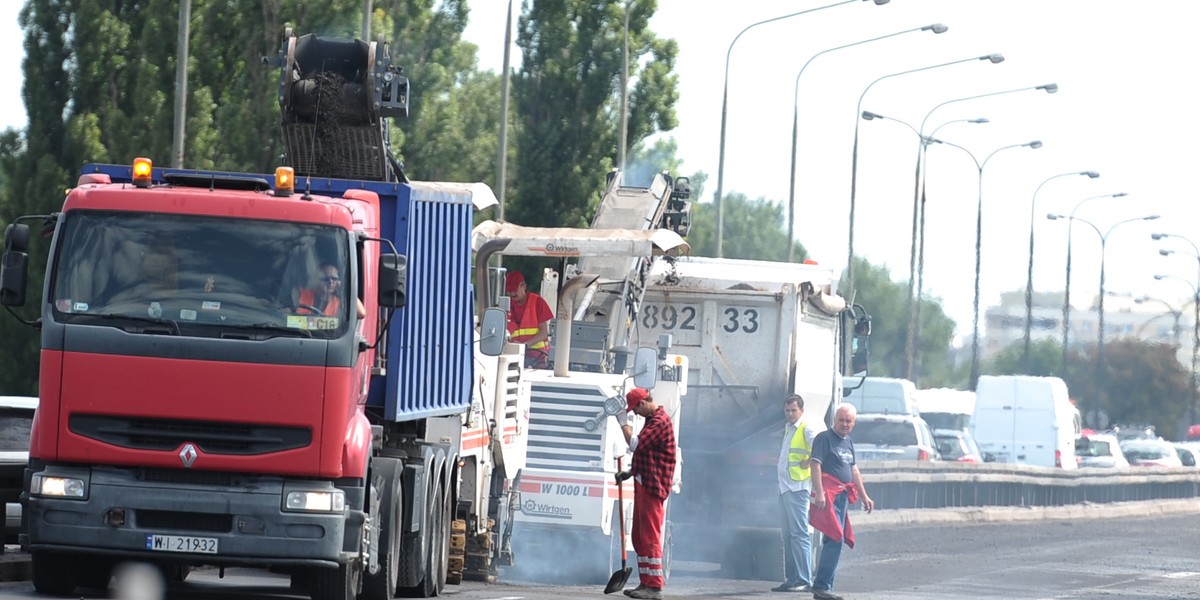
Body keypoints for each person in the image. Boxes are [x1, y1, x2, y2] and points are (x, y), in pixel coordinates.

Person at [615, 387, 676, 600]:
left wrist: (623, 423)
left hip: (653, 486)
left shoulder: (659, 421)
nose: (636, 414)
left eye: (635, 410)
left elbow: (635, 445)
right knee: (640, 536)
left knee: (649, 536)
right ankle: (646, 583)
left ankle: (655, 586)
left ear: (642, 403)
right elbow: (648, 454)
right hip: (645, 482)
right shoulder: (652, 420)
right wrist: (630, 473)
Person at [809, 403, 874, 600]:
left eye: (848, 421)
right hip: (828, 495)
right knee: (835, 537)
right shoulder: (824, 438)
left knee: (835, 539)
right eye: (841, 420)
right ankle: (821, 586)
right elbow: (815, 464)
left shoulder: (849, 443)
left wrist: (864, 496)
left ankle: (825, 586)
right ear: (834, 420)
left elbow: (854, 470)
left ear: (853, 423)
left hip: (843, 496)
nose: (844, 424)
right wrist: (819, 492)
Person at [772, 394, 816, 593]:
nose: (790, 414)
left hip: (797, 489)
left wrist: (808, 462)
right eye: (787, 410)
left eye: (793, 410)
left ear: (801, 411)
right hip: (784, 488)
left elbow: (820, 450)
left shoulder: (806, 429)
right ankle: (791, 579)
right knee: (788, 536)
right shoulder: (788, 428)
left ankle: (804, 579)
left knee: (800, 535)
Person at [504, 270, 553, 368]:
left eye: (514, 290)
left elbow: (543, 332)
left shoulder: (538, 302)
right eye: (509, 291)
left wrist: (525, 346)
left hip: (538, 360)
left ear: (524, 286)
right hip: (512, 359)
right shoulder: (506, 305)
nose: (512, 294)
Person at [294, 263, 366, 318]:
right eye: (326, 279)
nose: (330, 282)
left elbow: (361, 313)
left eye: (334, 279)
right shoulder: (299, 294)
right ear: (316, 280)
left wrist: (345, 287)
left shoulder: (338, 304)